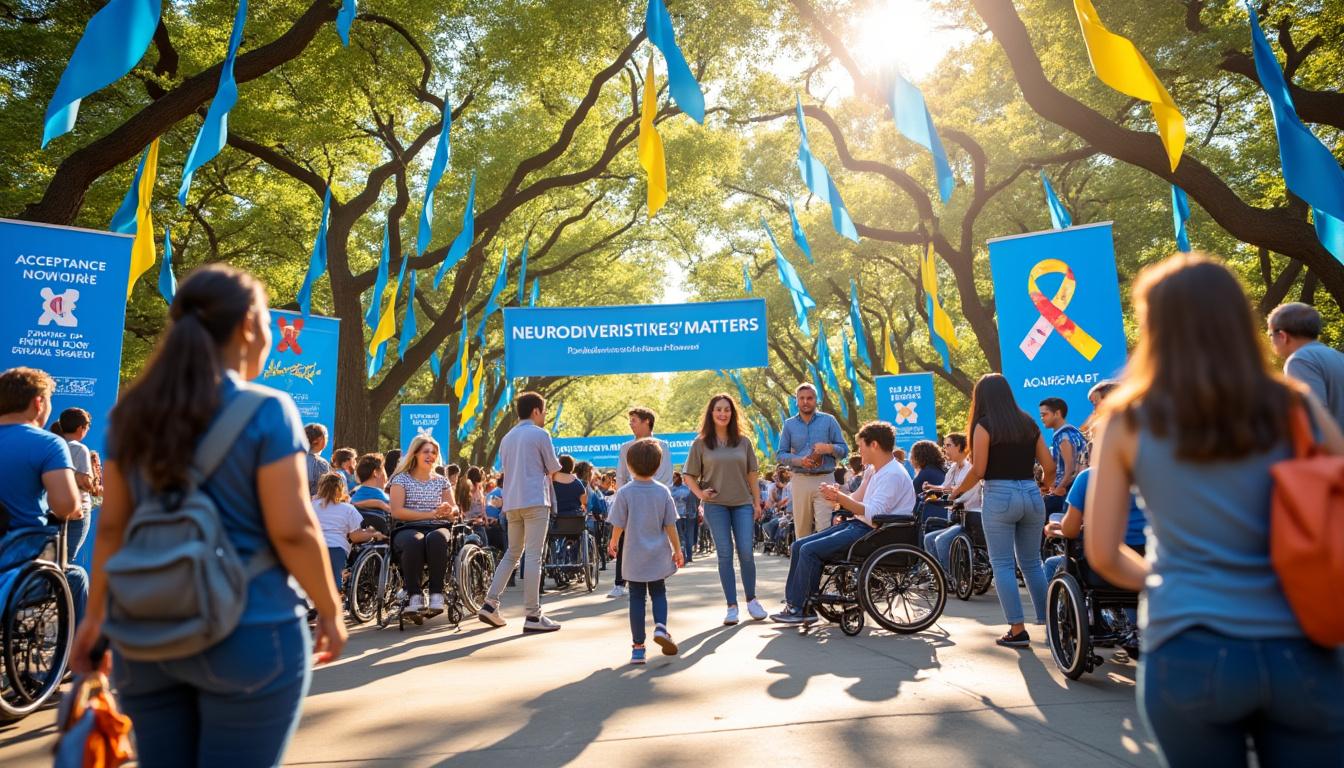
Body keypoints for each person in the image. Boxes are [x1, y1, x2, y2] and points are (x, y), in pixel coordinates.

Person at [70, 265, 345, 766]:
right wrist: (328, 609)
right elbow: (292, 529)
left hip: (145, 633)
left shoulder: (129, 415)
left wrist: (94, 620)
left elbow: (112, 528)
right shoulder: (268, 409)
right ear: (247, 325)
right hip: (249, 627)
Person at [1086, 255, 1344, 764]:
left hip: (1187, 647)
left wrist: (1165, 580)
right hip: (1301, 641)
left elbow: (1103, 551)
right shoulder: (1293, 404)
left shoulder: (1127, 418)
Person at [771, 421, 915, 624]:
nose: (858, 451)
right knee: (798, 545)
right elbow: (857, 498)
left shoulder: (893, 474)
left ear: (873, 445)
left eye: (861, 446)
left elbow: (873, 514)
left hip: (875, 533)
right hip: (862, 526)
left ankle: (801, 608)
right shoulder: (874, 470)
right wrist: (837, 495)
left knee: (809, 550)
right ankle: (795, 604)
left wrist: (839, 498)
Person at [949, 373, 1055, 648]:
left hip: (999, 494)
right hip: (1031, 493)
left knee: (1003, 564)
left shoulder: (984, 426)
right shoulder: (1029, 423)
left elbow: (980, 470)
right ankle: (1054, 623)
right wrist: (1043, 487)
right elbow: (1050, 466)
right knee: (1032, 563)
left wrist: (958, 490)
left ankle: (1017, 629)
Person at [0, 368, 84, 621]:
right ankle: (78, 659)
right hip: (17, 565)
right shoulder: (47, 444)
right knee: (77, 577)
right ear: (38, 402)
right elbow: (67, 507)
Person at [478, 391, 563, 633]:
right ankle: (533, 615)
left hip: (511, 502)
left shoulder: (507, 438)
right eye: (544, 411)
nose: (545, 416)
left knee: (512, 554)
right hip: (536, 500)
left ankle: (490, 603)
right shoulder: (540, 434)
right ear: (536, 410)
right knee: (534, 556)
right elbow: (553, 469)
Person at [683, 393, 765, 625]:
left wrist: (756, 502)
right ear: (711, 413)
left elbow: (752, 475)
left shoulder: (744, 442)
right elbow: (689, 475)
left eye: (727, 410)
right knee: (725, 554)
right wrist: (700, 494)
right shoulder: (700, 443)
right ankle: (731, 606)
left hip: (742, 504)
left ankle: (752, 600)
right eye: (718, 409)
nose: (722, 413)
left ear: (732, 413)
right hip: (715, 506)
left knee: (747, 552)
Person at [606, 438, 683, 664]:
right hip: (658, 554)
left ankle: (638, 648)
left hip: (633, 554)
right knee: (659, 592)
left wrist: (613, 542)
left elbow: (618, 523)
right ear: (658, 466)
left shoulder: (625, 493)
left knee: (637, 598)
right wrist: (677, 550)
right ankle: (660, 627)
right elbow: (670, 524)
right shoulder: (662, 492)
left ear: (629, 465)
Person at [389, 435, 458, 622]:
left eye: (434, 452)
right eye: (426, 451)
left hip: (438, 526)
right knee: (415, 541)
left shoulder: (441, 481)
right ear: (416, 454)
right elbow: (396, 511)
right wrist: (430, 514)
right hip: (408, 527)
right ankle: (415, 595)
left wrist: (449, 510)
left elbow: (454, 508)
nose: (431, 455)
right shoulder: (401, 479)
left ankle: (437, 594)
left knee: (436, 538)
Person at [610, 407, 673, 598]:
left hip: (655, 499)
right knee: (626, 539)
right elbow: (621, 476)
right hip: (631, 498)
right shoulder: (625, 448)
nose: (631, 424)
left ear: (647, 422)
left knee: (657, 539)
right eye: (630, 420)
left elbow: (666, 477)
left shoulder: (663, 445)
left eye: (634, 420)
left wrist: (659, 497)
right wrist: (622, 499)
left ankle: (657, 578)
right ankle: (620, 582)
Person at [776, 384, 848, 540]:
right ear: (796, 401)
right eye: (801, 398)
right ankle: (804, 564)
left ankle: (824, 564)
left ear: (816, 400)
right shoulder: (789, 424)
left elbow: (844, 450)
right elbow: (780, 455)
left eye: (809, 398)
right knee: (802, 531)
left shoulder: (829, 421)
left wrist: (829, 448)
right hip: (800, 480)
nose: (805, 402)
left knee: (825, 530)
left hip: (825, 479)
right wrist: (799, 461)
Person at [1268, 301, 1344, 428]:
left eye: (1270, 334)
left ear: (1282, 336)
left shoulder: (1300, 360)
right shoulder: (1338, 356)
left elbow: (1312, 418)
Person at [312, 472, 383, 593]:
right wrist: (374, 534)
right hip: (336, 548)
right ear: (342, 489)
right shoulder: (347, 509)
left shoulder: (312, 505)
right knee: (333, 585)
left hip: (313, 546)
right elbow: (355, 537)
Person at [922, 433, 983, 570]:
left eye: (948, 445)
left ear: (960, 447)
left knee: (941, 540)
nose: (944, 449)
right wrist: (931, 488)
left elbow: (967, 493)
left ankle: (950, 578)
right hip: (957, 518)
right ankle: (940, 576)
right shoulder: (953, 469)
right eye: (944, 446)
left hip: (971, 518)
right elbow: (946, 487)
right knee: (928, 539)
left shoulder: (970, 469)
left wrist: (951, 500)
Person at [53, 406, 100, 560]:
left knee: (53, 558)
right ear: (81, 428)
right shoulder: (80, 449)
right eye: (86, 428)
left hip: (53, 510)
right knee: (66, 560)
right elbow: (87, 484)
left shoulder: (51, 445)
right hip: (77, 512)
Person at [1039, 397, 1085, 519]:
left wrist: (1059, 488)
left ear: (1057, 413)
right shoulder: (1072, 432)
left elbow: (1071, 469)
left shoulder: (1063, 436)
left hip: (1066, 493)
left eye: (1045, 414)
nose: (1042, 418)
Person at [350, 452, 391, 533]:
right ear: (375, 473)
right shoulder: (381, 495)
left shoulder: (354, 494)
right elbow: (394, 511)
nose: (386, 476)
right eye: (384, 470)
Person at [669, 471, 698, 564]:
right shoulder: (674, 489)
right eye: (672, 477)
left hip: (686, 515)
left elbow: (693, 502)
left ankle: (688, 556)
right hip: (679, 516)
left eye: (674, 477)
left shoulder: (673, 490)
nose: (673, 479)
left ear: (678, 477)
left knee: (685, 537)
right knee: (683, 536)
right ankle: (686, 557)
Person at [303, 424, 331, 497]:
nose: (327, 440)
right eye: (326, 437)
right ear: (317, 440)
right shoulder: (320, 463)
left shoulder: (292, 458)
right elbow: (322, 490)